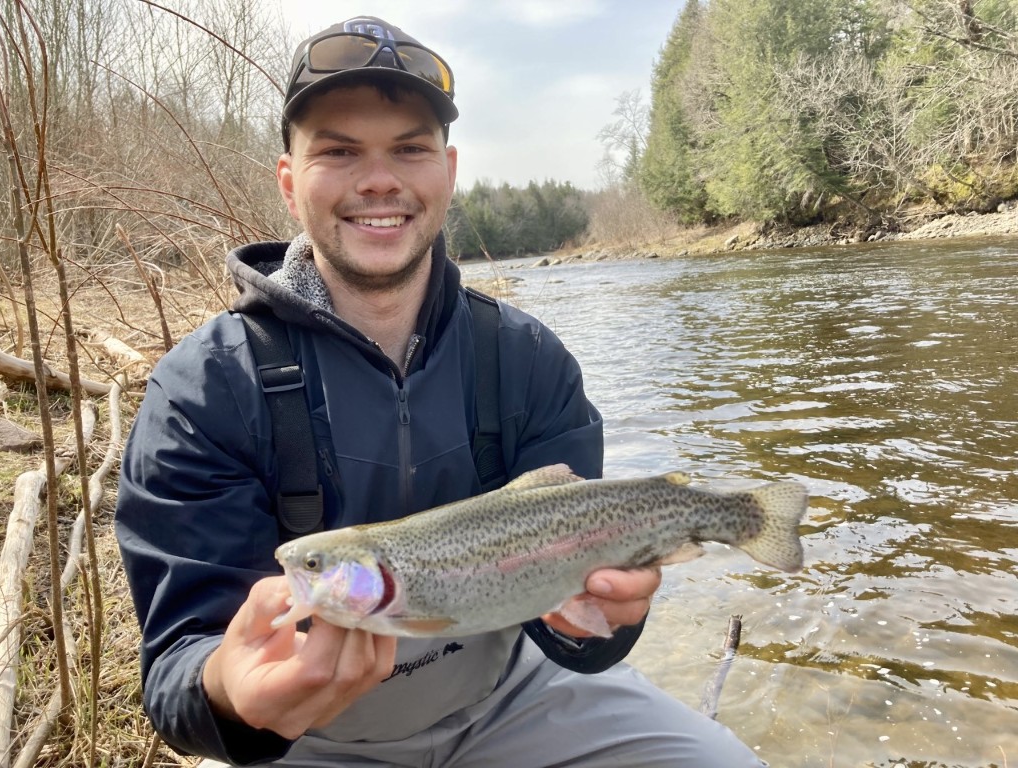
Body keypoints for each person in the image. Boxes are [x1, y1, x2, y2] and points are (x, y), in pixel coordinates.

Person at [114, 15, 767, 767]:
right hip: (307, 739)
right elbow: (174, 672)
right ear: (290, 184)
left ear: (448, 172)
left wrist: (602, 619)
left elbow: (581, 623)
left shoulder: (527, 359)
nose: (379, 179)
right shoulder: (201, 392)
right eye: (339, 151)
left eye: (409, 148)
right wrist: (228, 688)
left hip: (514, 697)